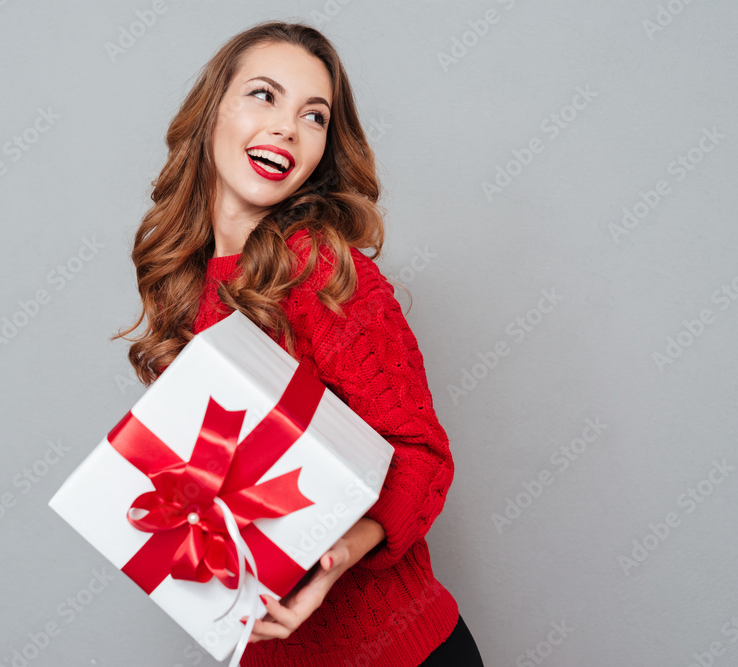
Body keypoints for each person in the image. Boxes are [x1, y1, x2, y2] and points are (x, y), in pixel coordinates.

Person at [113, 20, 484, 667]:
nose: (287, 125)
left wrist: (333, 562)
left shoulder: (320, 268)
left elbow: (424, 456)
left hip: (397, 652)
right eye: (264, 95)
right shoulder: (186, 284)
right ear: (212, 114)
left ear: (321, 150)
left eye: (314, 115)